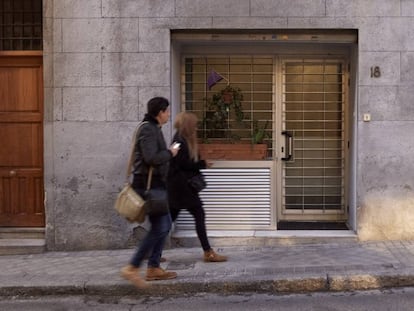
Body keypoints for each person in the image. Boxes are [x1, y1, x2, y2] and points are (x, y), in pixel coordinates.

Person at [121, 97, 179, 289]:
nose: (169, 114)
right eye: (167, 111)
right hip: (149, 187)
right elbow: (151, 157)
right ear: (160, 112)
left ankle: (153, 267)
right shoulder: (148, 129)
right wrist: (170, 153)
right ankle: (133, 266)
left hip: (156, 186)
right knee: (160, 227)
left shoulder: (154, 128)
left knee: (164, 224)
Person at [167, 112, 227, 263]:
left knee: (167, 221)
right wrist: (203, 164)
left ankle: (152, 251)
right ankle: (208, 252)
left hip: (179, 188)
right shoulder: (179, 141)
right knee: (198, 215)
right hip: (183, 188)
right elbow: (183, 164)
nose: (196, 126)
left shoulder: (182, 139)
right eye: (194, 124)